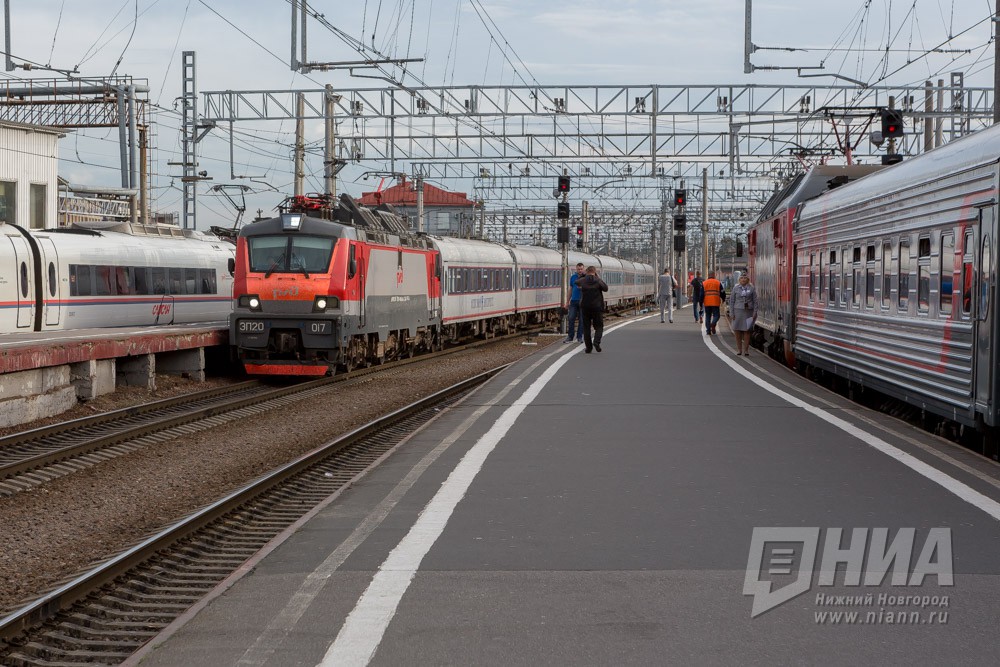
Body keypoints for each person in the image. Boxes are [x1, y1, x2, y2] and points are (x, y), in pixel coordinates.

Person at [576, 265, 608, 353]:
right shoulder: (598, 280)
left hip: (585, 307)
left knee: (586, 328)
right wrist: (597, 277)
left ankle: (588, 348)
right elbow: (605, 288)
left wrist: (583, 276)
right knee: (599, 326)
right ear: (595, 271)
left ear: (586, 271)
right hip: (597, 307)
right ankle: (596, 342)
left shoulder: (583, 280)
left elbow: (576, 282)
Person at [729, 273, 758, 356]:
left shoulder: (751, 288)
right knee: (737, 331)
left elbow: (755, 301)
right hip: (737, 311)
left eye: (745, 278)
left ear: (747, 279)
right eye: (742, 278)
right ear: (739, 279)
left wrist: (754, 312)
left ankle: (746, 350)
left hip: (748, 312)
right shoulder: (735, 288)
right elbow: (731, 301)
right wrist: (732, 313)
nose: (743, 279)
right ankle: (739, 350)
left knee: (747, 331)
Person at [564, 263, 585, 343]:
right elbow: (570, 289)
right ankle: (570, 336)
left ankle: (579, 337)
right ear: (576, 269)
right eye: (578, 269)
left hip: (583, 301)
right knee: (571, 318)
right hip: (573, 301)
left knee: (581, 319)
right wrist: (567, 301)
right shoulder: (573, 277)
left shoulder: (586, 278)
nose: (580, 271)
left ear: (583, 269)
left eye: (581, 269)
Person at [702, 270, 726, 335]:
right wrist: (723, 299)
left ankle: (708, 331)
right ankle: (713, 323)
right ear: (714, 275)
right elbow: (722, 292)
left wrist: (700, 302)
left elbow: (701, 294)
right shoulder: (718, 282)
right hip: (715, 302)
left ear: (708, 275)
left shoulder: (704, 283)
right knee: (717, 315)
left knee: (708, 316)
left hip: (707, 302)